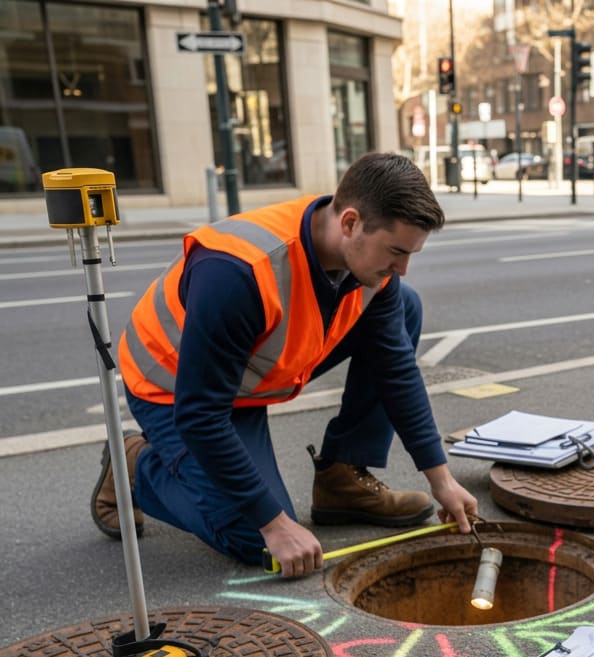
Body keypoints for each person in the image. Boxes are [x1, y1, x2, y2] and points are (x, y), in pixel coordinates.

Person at [91, 152, 478, 578]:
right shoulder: (237, 273)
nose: (402, 268)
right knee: (255, 538)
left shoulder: (368, 264)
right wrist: (273, 523)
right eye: (396, 251)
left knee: (403, 308)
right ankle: (133, 467)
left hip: (250, 370)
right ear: (350, 223)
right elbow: (200, 415)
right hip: (172, 384)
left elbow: (396, 369)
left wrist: (441, 479)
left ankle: (341, 478)